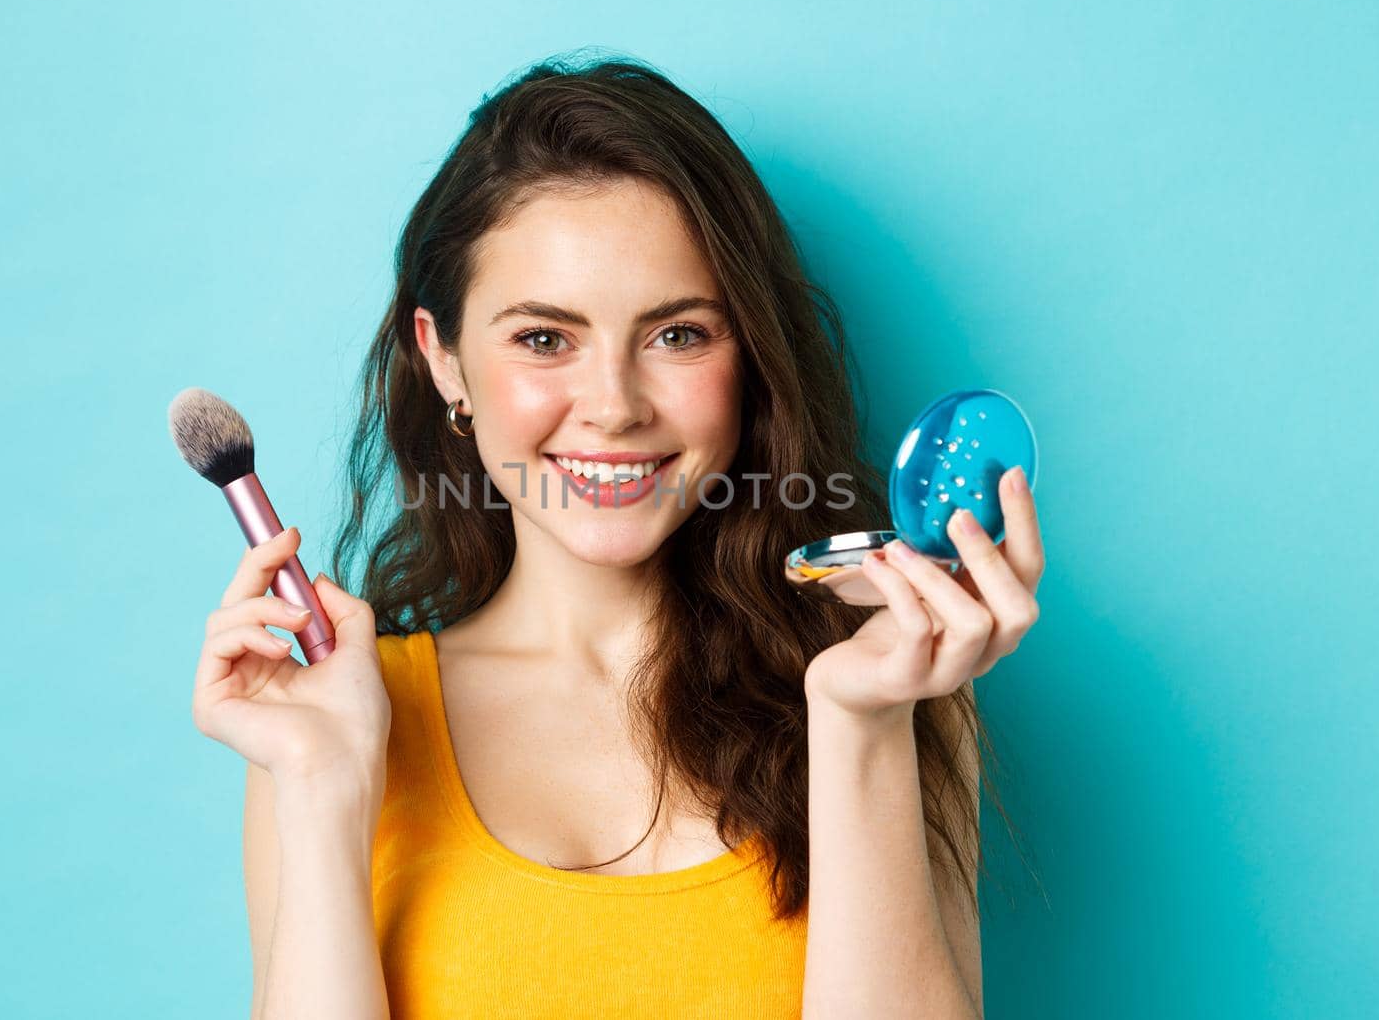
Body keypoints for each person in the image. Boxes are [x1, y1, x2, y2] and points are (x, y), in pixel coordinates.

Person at [190, 52, 1044, 1019]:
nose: (613, 408)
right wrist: (319, 783)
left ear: (750, 355)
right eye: (544, 338)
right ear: (444, 361)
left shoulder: (902, 683)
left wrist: (861, 721)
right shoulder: (334, 722)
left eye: (679, 333)